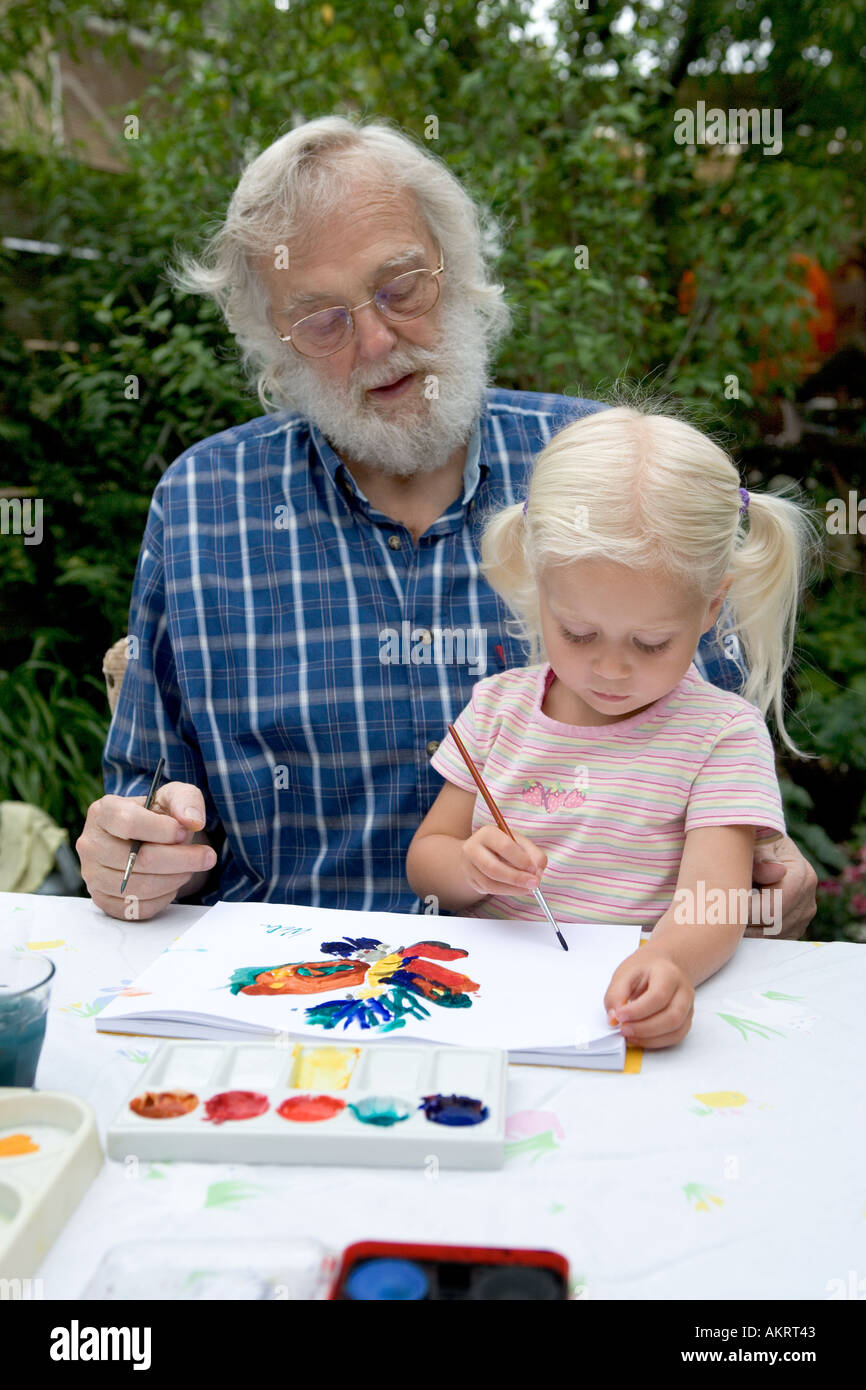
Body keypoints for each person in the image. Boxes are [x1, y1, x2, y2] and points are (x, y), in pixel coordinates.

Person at [74, 115, 818, 934]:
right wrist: (139, 847)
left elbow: (710, 756)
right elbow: (148, 797)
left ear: (457, 271)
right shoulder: (204, 504)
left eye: (402, 287)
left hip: (579, 995)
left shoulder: (606, 471)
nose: (378, 339)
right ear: (272, 346)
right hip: (286, 999)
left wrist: (761, 883)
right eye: (322, 319)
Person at [406, 405, 822, 1048]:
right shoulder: (496, 709)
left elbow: (714, 904)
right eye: (578, 633)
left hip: (623, 1012)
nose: (610, 668)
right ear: (540, 586)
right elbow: (427, 858)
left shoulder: (721, 736)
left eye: (651, 642)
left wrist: (670, 963)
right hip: (483, 1007)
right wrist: (469, 866)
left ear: (711, 607)